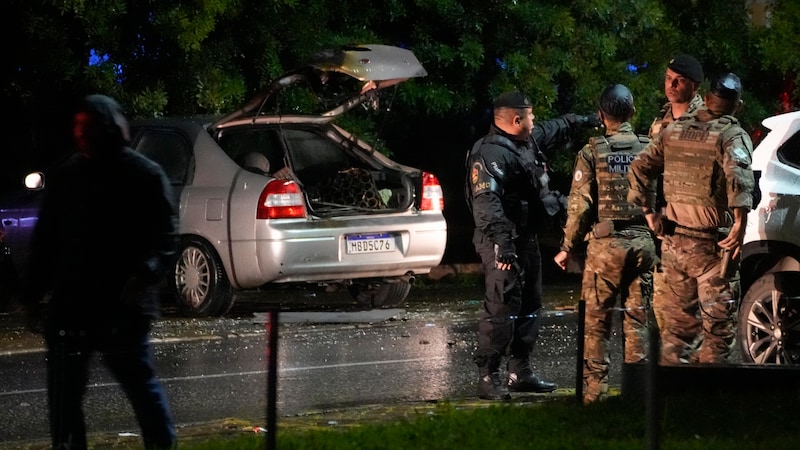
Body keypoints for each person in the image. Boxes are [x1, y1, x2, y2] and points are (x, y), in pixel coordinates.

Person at [22, 94, 179, 449]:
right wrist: (32, 295)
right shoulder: (71, 176)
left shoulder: (142, 175)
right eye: (80, 129)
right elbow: (46, 240)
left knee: (137, 386)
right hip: (78, 303)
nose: (82, 136)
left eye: (88, 129)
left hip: (119, 304)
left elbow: (165, 236)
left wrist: (143, 276)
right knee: (68, 396)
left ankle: (160, 444)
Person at [465, 91, 601, 400]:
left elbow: (551, 129)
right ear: (516, 120)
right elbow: (486, 203)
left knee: (530, 303)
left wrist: (581, 120)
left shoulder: (524, 142)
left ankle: (520, 371)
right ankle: (488, 376)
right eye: (530, 115)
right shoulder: (490, 154)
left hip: (525, 237)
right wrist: (502, 243)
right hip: (501, 240)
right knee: (501, 306)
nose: (534, 119)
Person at [627, 73, 754, 365]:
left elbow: (639, 167)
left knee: (676, 333)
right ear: (738, 105)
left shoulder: (675, 129)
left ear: (707, 99)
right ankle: (705, 403)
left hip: (674, 245)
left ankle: (672, 403)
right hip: (712, 248)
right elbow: (739, 176)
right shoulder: (731, 134)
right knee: (717, 334)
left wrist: (648, 213)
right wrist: (740, 222)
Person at [553, 84, 656, 404]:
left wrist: (567, 246)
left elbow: (580, 205)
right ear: (632, 112)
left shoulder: (593, 151)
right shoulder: (649, 147)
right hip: (643, 242)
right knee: (638, 320)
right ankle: (637, 395)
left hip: (606, 248)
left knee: (596, 323)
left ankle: (594, 398)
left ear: (601, 116)